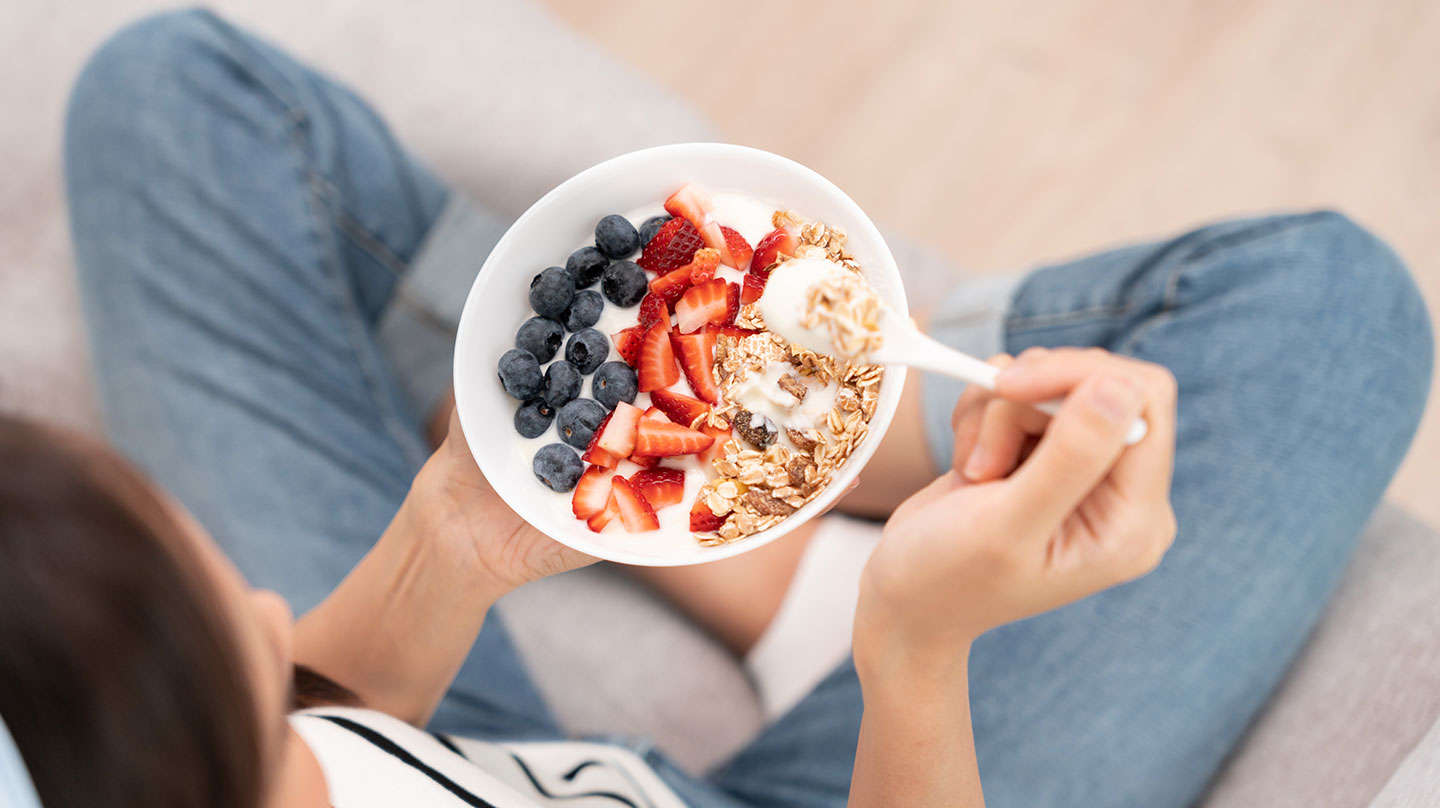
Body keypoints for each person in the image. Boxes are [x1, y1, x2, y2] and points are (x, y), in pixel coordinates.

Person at [1, 8, 1430, 807]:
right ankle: (822, 562)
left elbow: (331, 714)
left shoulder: (230, 736)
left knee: (172, 99)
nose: (272, 613)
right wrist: (913, 652)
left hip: (503, 767)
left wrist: (452, 542)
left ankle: (824, 429)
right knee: (1334, 310)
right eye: (240, 643)